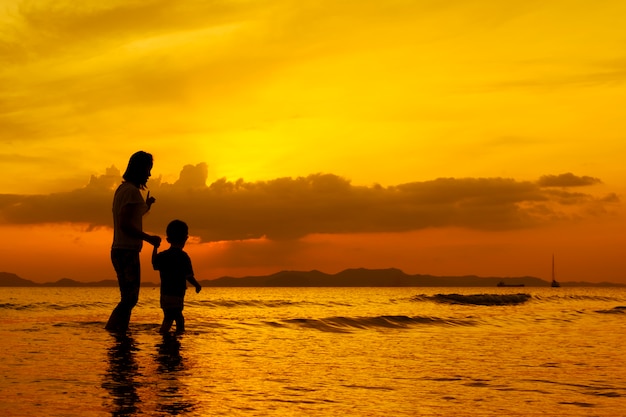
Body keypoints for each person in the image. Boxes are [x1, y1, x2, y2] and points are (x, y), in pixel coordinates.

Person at [105, 151, 162, 332]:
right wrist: (149, 238)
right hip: (127, 250)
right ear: (139, 169)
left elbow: (131, 216)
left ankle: (121, 334)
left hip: (119, 249)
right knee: (130, 299)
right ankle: (113, 330)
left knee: (128, 298)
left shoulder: (122, 190)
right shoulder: (131, 192)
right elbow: (125, 224)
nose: (149, 174)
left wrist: (147, 206)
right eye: (147, 170)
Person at [152, 219, 202, 334]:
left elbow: (154, 264)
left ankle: (167, 339)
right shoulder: (184, 257)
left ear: (168, 239)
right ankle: (175, 337)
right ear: (185, 238)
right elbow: (188, 276)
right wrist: (197, 285)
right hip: (176, 295)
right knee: (178, 318)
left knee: (168, 317)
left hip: (164, 295)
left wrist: (155, 247)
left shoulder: (163, 256)